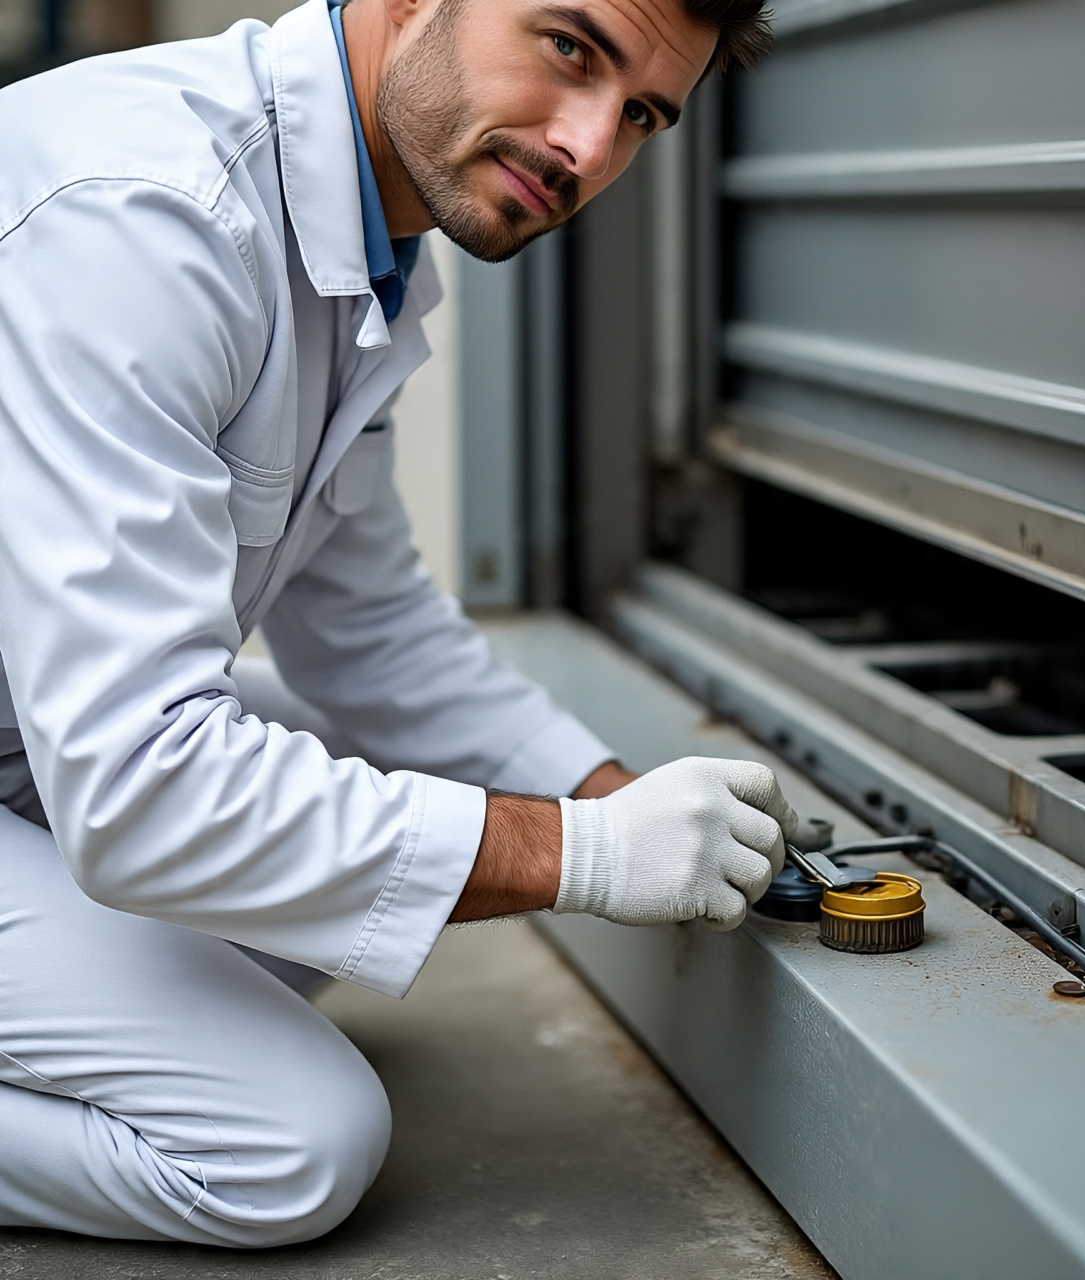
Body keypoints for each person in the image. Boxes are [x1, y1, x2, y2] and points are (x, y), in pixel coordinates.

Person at [0, 0, 794, 1248]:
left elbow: (374, 639)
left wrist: (624, 801)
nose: (588, 148)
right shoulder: (148, 215)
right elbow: (139, 782)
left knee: (327, 886)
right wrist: (583, 856)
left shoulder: (356, 238)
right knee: (283, 1139)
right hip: (76, 757)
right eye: (570, 47)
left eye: (642, 112)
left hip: (29, 738)